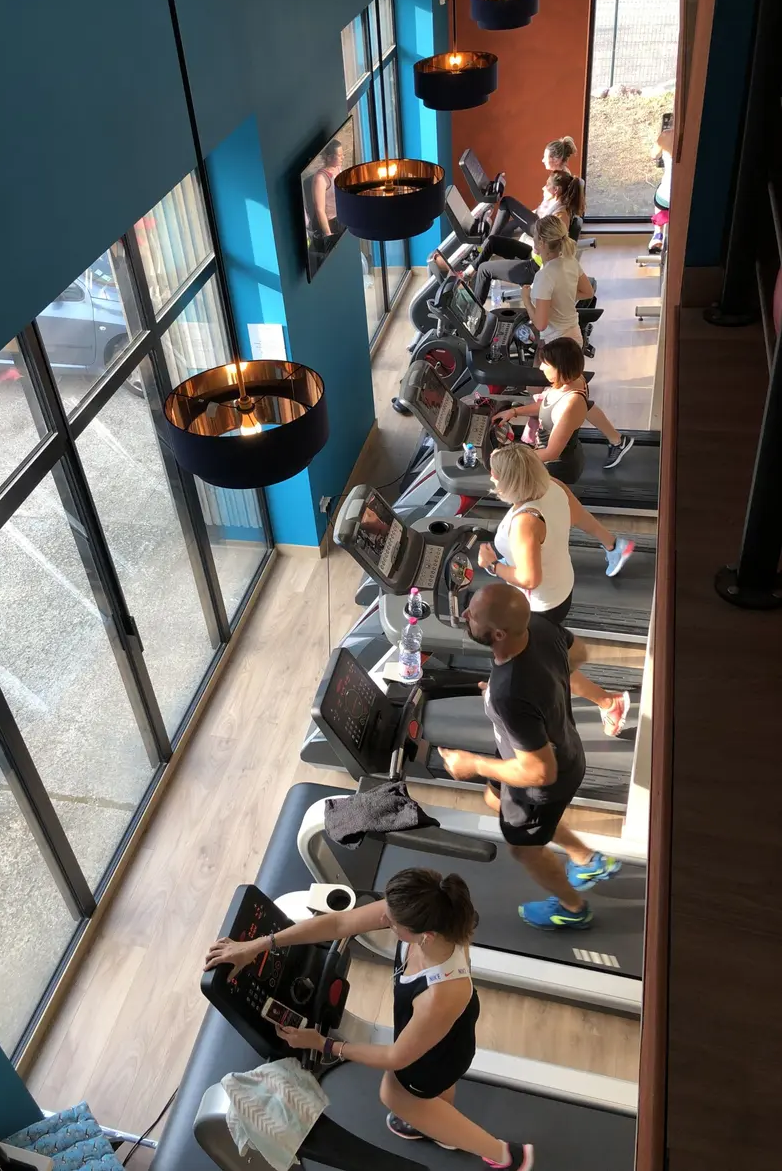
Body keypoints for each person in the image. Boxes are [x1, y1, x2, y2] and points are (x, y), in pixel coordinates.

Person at [205, 867, 534, 1169]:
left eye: (392, 922)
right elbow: (339, 924)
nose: (384, 919)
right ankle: (437, 1127)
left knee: (394, 1094)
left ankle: (508, 1156)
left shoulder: (441, 993)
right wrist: (258, 945)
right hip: (447, 1032)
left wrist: (324, 1044)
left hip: (437, 1052)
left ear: (426, 936)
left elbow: (396, 1057)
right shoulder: (434, 913)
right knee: (428, 1101)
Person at [438, 583, 623, 929]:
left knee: (524, 849)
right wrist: (539, 690)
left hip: (545, 781)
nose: (464, 615)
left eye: (472, 616)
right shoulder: (537, 625)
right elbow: (579, 652)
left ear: (498, 634)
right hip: (537, 746)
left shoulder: (510, 694)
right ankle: (585, 859)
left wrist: (472, 764)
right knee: (494, 800)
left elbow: (540, 773)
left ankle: (573, 908)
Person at [476, 443, 633, 737]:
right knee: (553, 648)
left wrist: (492, 565)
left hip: (539, 604)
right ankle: (568, 649)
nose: (492, 477)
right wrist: (608, 541)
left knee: (549, 666)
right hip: (561, 587)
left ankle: (609, 702)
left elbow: (529, 578)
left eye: (495, 474)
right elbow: (577, 516)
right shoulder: (552, 485)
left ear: (509, 480)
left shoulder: (525, 523)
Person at [493, 336, 636, 478]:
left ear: (560, 368)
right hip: (547, 455)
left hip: (555, 469)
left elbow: (551, 453)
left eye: (546, 364)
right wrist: (514, 411)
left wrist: (510, 461)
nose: (541, 367)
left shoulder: (571, 404)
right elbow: (548, 407)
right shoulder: (574, 380)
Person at [470, 171, 586, 307]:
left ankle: (474, 314)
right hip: (534, 257)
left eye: (547, 185)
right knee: (492, 241)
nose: (543, 188)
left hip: (536, 269)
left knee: (484, 269)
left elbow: (552, 253)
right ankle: (468, 273)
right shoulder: (559, 209)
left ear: (556, 190)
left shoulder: (560, 217)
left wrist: (532, 241)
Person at [491, 136, 580, 239]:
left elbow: (552, 210)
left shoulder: (559, 181)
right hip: (542, 219)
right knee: (508, 227)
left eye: (545, 157)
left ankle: (488, 242)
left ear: (556, 160)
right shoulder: (564, 175)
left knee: (507, 201)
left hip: (542, 227)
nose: (542, 160)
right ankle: (492, 242)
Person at [304, 140, 345, 254]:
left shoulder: (338, 168)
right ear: (329, 157)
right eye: (339, 155)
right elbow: (319, 210)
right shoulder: (321, 179)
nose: (342, 158)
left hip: (341, 217)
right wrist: (328, 235)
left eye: (343, 154)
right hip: (330, 223)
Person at [647, 123, 673, 255]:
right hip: (688, 198)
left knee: (662, 192)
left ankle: (658, 234)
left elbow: (653, 155)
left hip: (666, 198)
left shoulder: (666, 135)